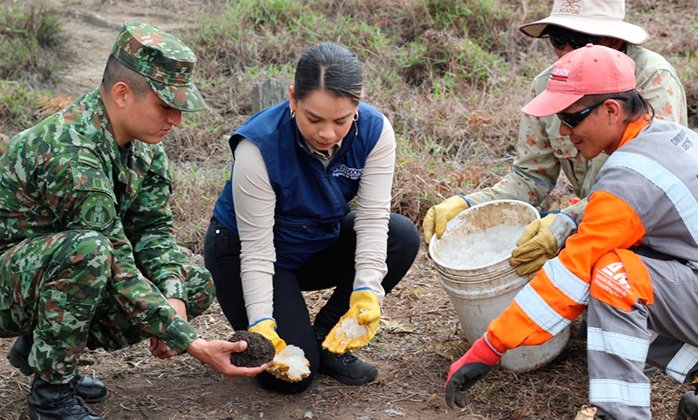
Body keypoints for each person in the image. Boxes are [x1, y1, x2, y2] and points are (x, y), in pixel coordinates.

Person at [443, 44, 698, 419]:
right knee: (610, 291)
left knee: (614, 278)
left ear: (612, 110)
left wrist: (489, 347)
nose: (565, 132)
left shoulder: (630, 177)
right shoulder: (669, 136)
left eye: (572, 118)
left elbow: (570, 275)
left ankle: (620, 414)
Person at [0, 22, 267, 420]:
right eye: (165, 105)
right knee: (88, 251)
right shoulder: (70, 150)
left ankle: (41, 347)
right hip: (10, 285)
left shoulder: (143, 144)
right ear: (122, 94)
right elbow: (113, 259)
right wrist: (187, 340)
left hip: (49, 276)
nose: (175, 120)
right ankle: (51, 395)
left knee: (193, 281)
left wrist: (173, 302)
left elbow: (153, 231)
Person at [204, 42, 420, 394]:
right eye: (313, 118)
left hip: (313, 240)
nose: (327, 134)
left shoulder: (376, 132)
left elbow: (372, 219)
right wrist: (261, 321)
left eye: (341, 120)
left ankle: (328, 338)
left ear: (358, 105)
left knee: (401, 234)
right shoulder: (257, 147)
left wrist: (368, 290)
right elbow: (257, 250)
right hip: (246, 251)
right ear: (293, 98)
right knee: (292, 379)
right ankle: (281, 334)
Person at [422, 0, 687, 277]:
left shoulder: (651, 80)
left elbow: (648, 187)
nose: (568, 51)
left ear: (613, 39)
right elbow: (531, 177)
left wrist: (567, 222)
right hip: (591, 222)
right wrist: (468, 204)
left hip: (653, 232)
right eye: (559, 39)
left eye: (583, 40)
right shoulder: (547, 85)